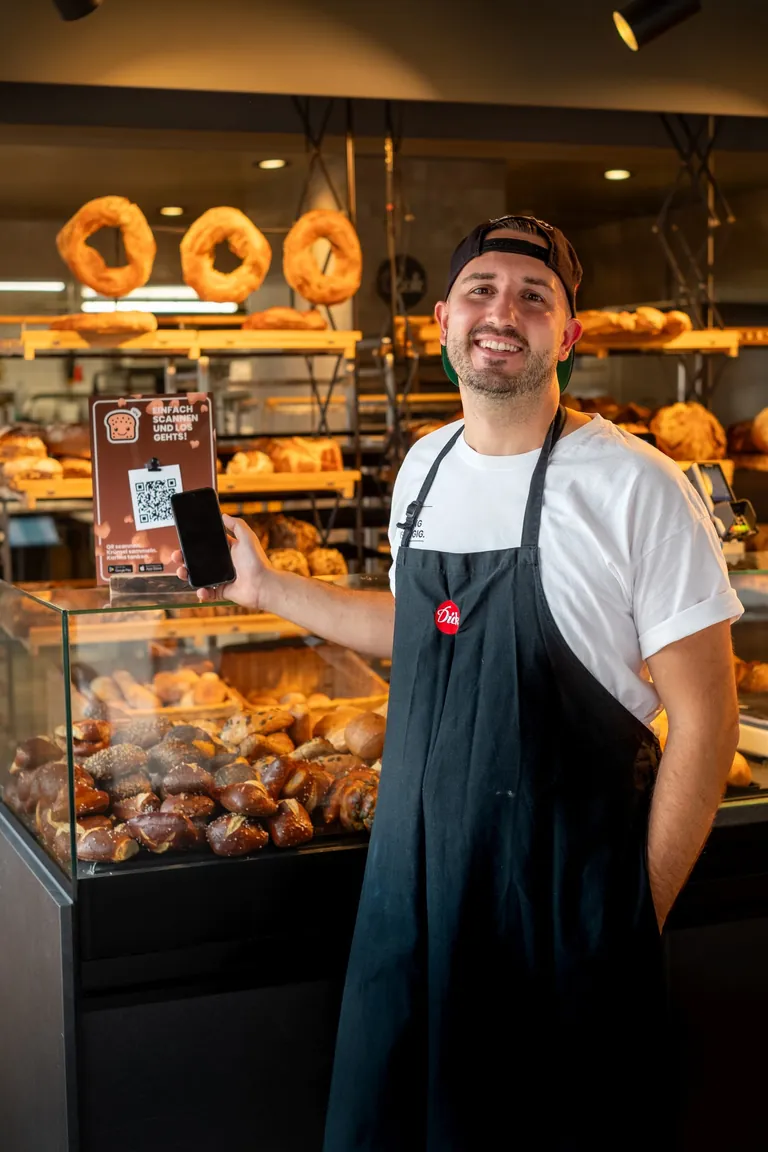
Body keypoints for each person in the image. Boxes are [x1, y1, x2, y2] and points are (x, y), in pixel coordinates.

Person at [174, 214, 742, 1149]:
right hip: (416, 893)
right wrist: (265, 585)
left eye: (533, 295)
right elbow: (420, 629)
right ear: (442, 319)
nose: (501, 312)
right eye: (481, 290)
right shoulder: (425, 469)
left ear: (571, 333)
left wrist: (633, 916)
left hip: (565, 911)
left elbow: (708, 722)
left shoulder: (637, 485)